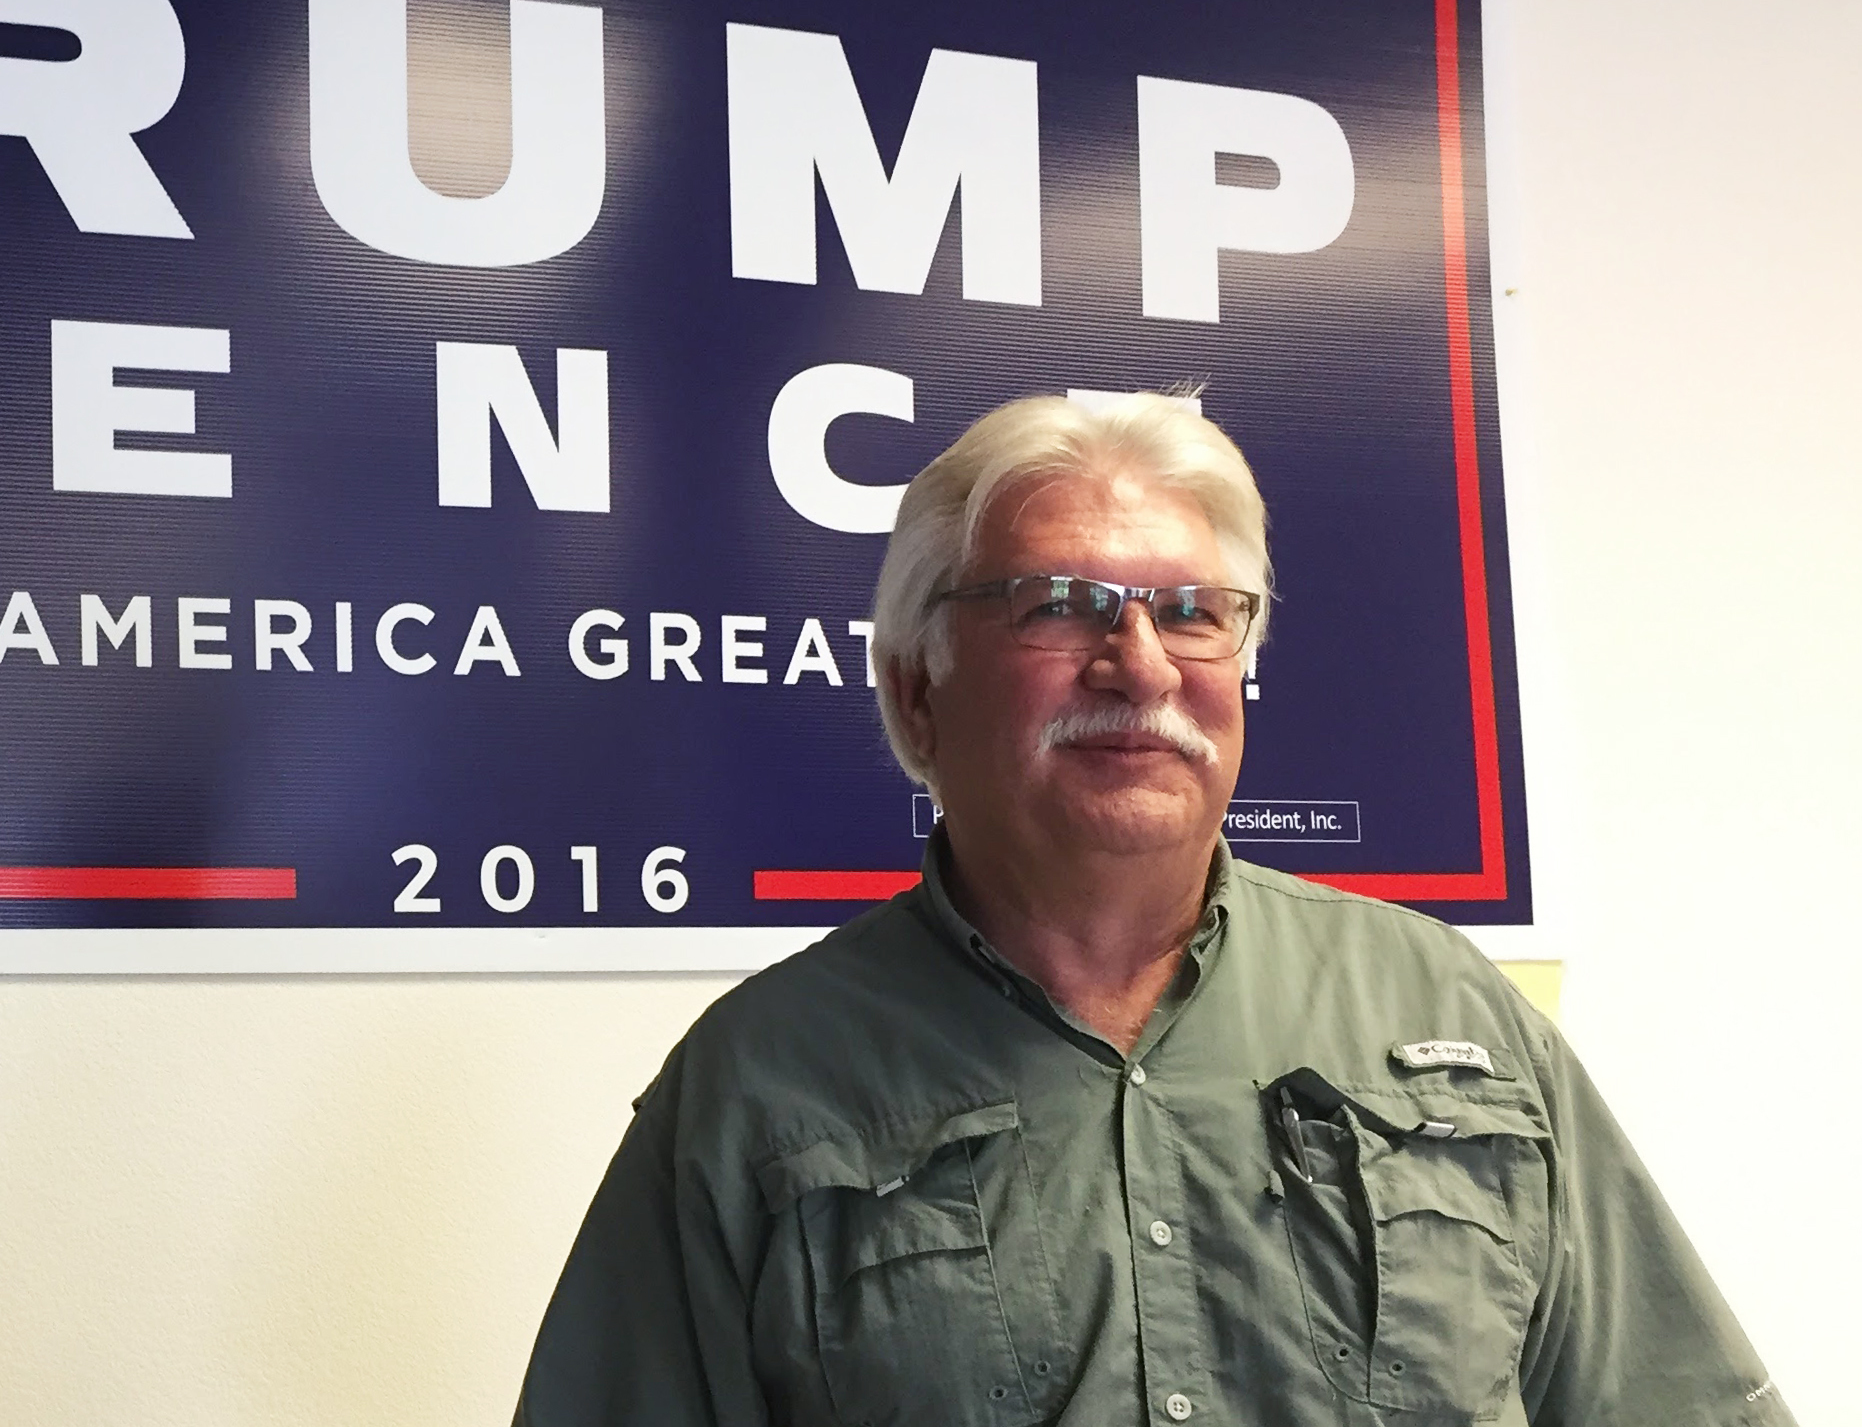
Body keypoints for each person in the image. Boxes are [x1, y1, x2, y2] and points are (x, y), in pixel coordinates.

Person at [513, 393, 1788, 1427]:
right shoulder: (758, 1089)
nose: (1139, 664)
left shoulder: (1445, 1008)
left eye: (1192, 613)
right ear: (915, 696)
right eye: (1058, 608)